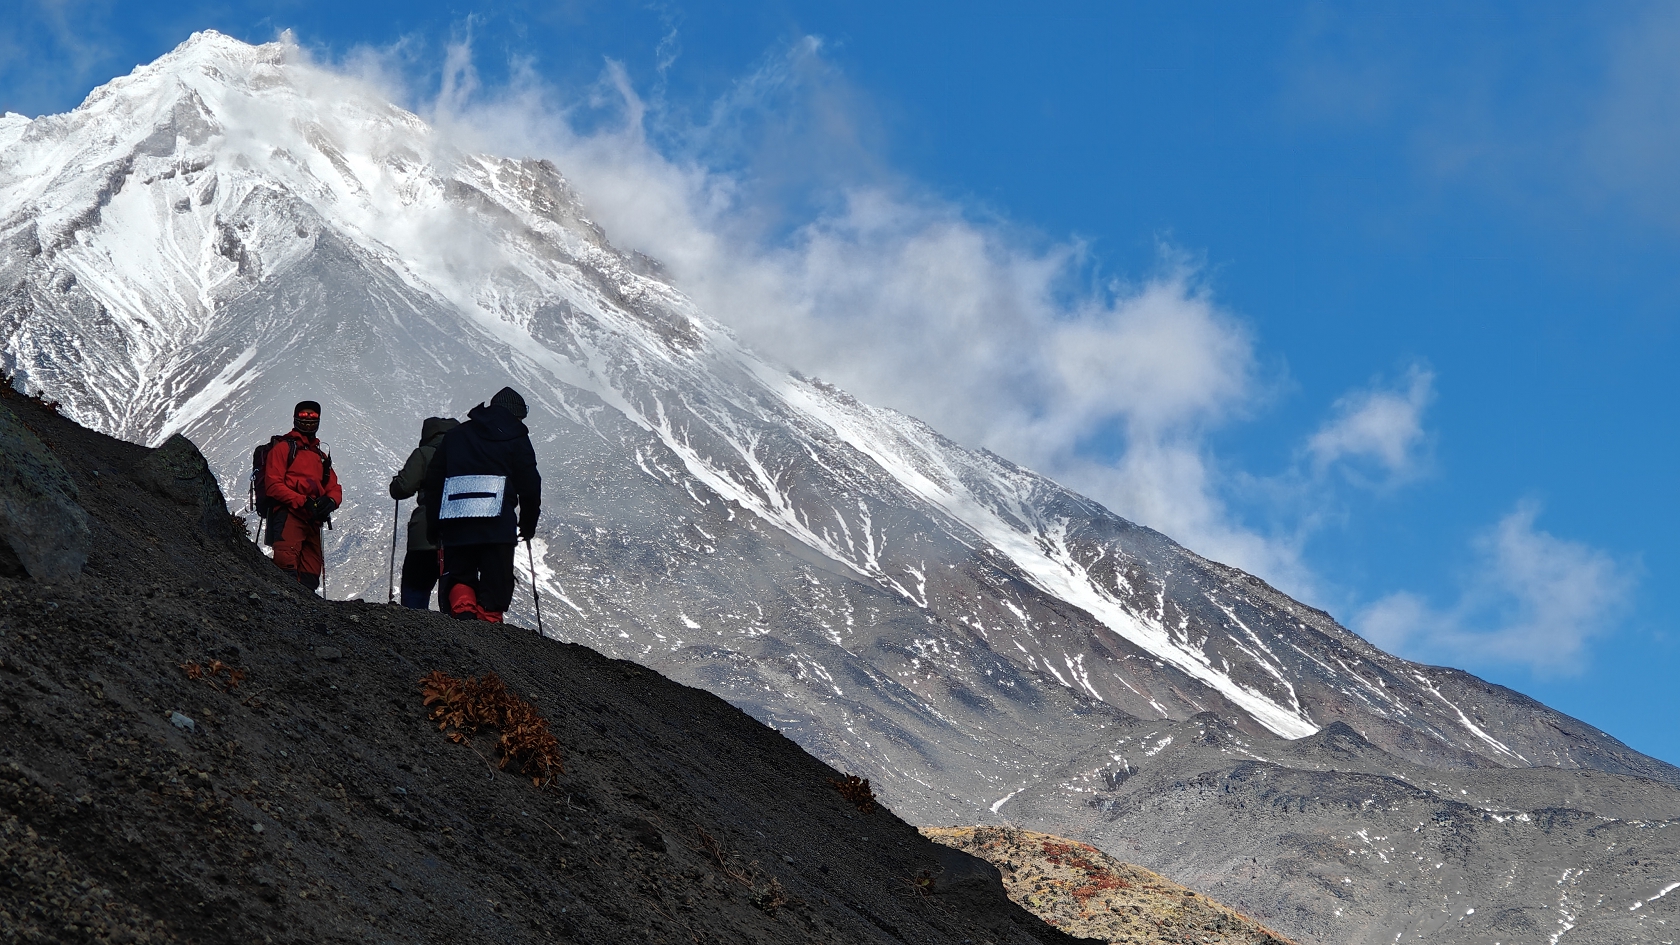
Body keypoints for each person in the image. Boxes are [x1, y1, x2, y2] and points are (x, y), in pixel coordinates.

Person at [424, 387, 541, 622]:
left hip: (457, 518)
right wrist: (528, 524)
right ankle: (489, 629)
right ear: (516, 414)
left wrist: (434, 524)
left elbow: (434, 480)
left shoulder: (457, 435)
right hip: (497, 523)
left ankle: (463, 618)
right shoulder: (517, 438)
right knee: (496, 580)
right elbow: (530, 484)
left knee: (460, 574)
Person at [263, 400, 342, 591]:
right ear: (295, 417)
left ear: (319, 420)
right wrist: (302, 501)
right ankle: (284, 615)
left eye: (313, 416)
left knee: (310, 575)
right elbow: (273, 485)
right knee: (286, 571)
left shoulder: (320, 456)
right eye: (304, 416)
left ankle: (305, 616)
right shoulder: (283, 448)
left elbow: (334, 486)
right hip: (289, 515)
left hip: (312, 520)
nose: (308, 420)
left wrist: (331, 501)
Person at [389, 416, 459, 609]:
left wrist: (397, 482)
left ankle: (414, 632)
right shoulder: (468, 455)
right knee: (457, 596)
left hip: (425, 536)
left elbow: (402, 489)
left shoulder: (424, 453)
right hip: (461, 537)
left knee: (415, 591)